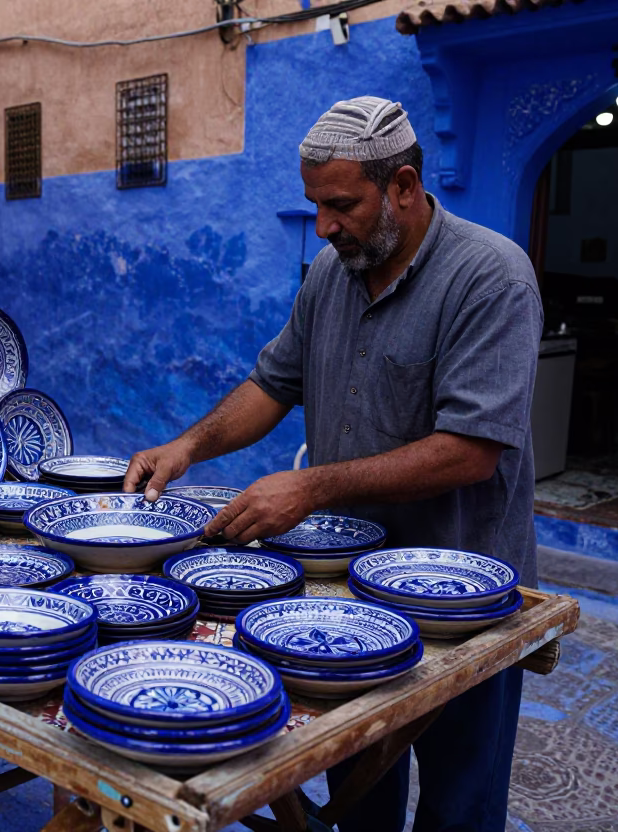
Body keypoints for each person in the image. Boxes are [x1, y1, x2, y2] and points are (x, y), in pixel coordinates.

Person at [122, 96, 542, 832]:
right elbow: (272, 383)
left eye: (341, 205)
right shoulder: (331, 273)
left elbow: (473, 452)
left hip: (460, 598)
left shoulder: (492, 277)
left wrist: (311, 487)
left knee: (461, 808)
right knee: (358, 798)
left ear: (404, 186)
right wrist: (187, 445)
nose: (323, 226)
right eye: (315, 205)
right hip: (347, 599)